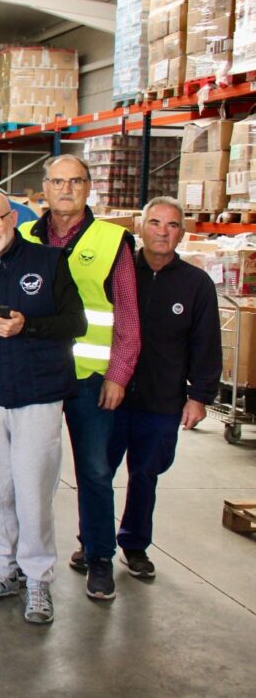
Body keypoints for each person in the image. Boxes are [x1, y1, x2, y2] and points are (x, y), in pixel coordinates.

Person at [0, 191, 87, 624]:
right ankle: (3, 570)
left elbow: (76, 323)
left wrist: (25, 325)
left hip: (38, 394)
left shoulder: (49, 262)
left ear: (12, 218)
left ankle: (37, 579)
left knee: (33, 491)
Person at [21, 154, 140, 602]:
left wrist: (119, 374)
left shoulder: (112, 241)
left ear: (89, 188)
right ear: (44, 190)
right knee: (31, 472)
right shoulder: (25, 236)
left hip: (90, 378)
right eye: (57, 181)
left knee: (94, 470)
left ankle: (98, 557)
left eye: (75, 181)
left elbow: (128, 315)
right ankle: (24, 556)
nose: (66, 189)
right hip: (38, 376)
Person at [110, 197, 221, 580]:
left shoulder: (196, 285)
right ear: (140, 228)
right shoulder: (119, 273)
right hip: (112, 394)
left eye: (171, 225)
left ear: (182, 233)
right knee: (98, 472)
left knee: (145, 474)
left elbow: (206, 344)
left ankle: (135, 544)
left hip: (162, 400)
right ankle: (93, 543)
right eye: (154, 223)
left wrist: (200, 397)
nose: (162, 231)